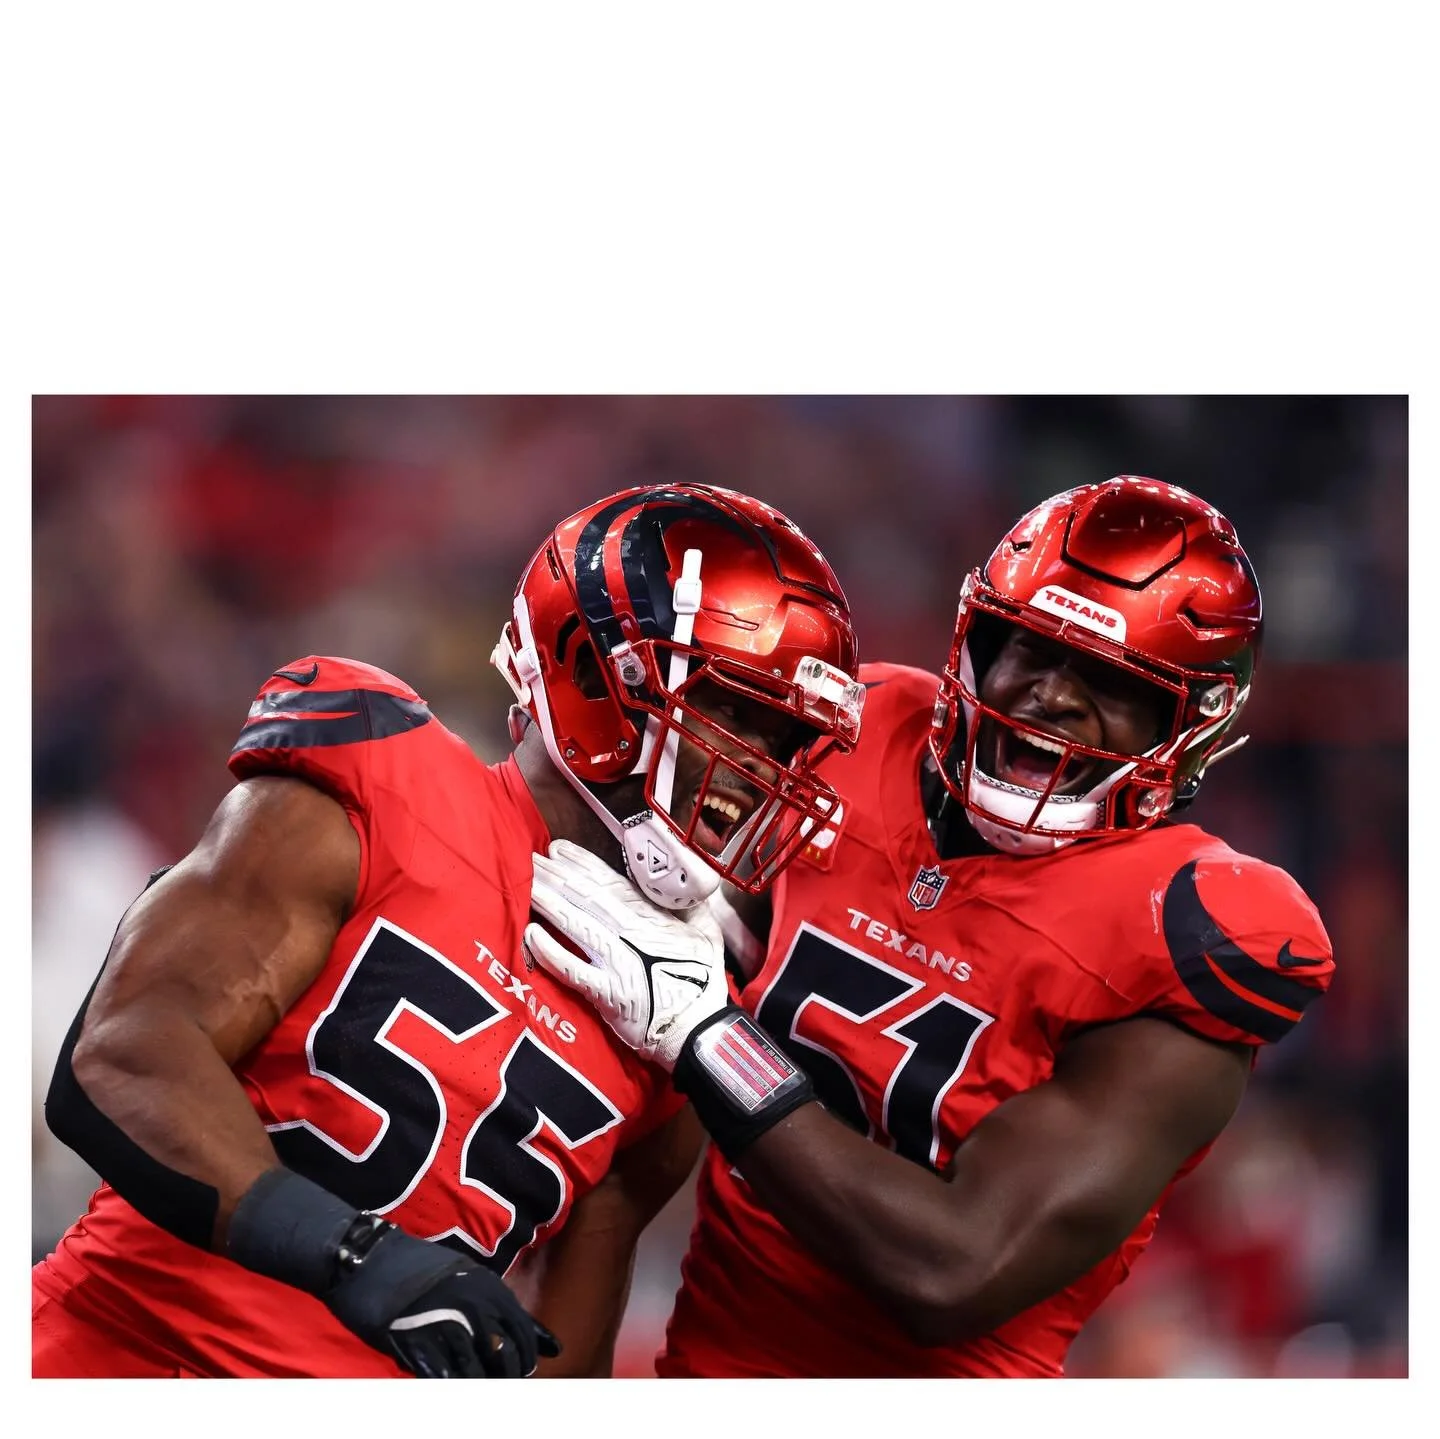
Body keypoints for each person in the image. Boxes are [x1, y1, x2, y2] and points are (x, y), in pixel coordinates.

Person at [34, 481, 865, 1378]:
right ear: (593, 673)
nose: (762, 770)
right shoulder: (383, 778)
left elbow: (556, 1353)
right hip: (123, 1352)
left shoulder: (679, 1005)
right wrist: (349, 1251)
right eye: (735, 712)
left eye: (786, 741)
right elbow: (120, 1054)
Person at [524, 475, 1337, 1377]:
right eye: (1025, 646)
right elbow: (629, 937)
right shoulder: (862, 728)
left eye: (1111, 679)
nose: (1047, 696)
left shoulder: (1192, 926)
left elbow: (953, 1270)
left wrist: (712, 1038)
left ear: (1192, 725)